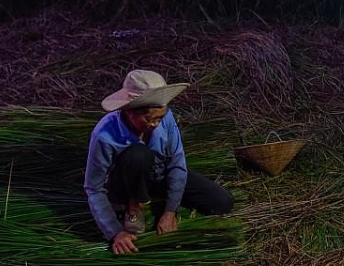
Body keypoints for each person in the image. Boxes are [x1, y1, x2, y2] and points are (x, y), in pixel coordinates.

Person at [84, 69, 234, 255]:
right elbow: (94, 188)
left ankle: (155, 197)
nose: (155, 124)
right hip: (126, 183)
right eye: (149, 119)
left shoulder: (166, 119)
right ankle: (135, 206)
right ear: (129, 112)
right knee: (137, 154)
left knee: (222, 201)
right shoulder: (104, 135)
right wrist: (115, 233)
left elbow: (177, 164)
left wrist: (170, 211)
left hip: (157, 175)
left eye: (160, 118)